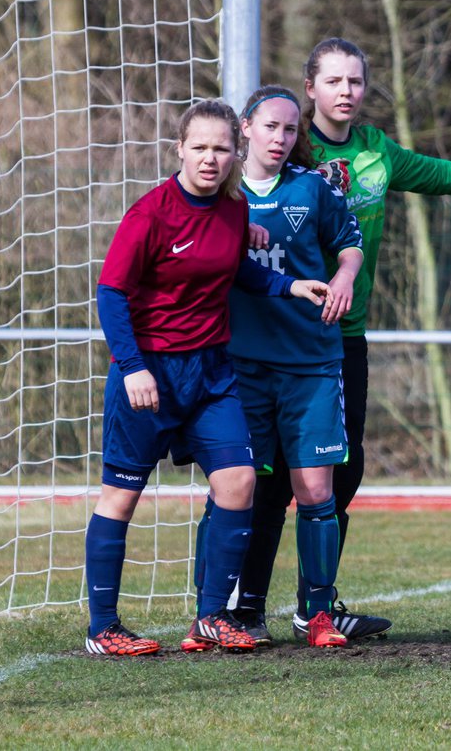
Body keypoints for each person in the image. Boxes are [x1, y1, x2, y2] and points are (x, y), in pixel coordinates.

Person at [238, 37, 451, 642]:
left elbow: (440, 174)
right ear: (310, 89)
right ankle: (242, 606)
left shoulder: (375, 152)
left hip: (340, 339)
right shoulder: (285, 145)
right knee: (270, 479)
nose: (346, 92)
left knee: (344, 470)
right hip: (270, 340)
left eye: (356, 82)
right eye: (333, 81)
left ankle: (317, 604)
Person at [85, 99, 329, 656]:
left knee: (239, 482)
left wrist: (290, 285)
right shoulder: (149, 215)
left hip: (213, 372)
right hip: (150, 375)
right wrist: (133, 368)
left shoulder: (233, 211)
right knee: (120, 498)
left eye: (222, 148)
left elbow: (235, 270)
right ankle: (103, 628)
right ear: (180, 149)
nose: (211, 158)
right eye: (200, 147)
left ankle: (211, 618)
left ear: (235, 152)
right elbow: (112, 293)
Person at [209, 85, 365, 648]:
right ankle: (224, 611)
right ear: (245, 128)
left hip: (311, 361)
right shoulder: (217, 195)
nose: (281, 138)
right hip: (239, 366)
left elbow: (350, 244)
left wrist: (345, 277)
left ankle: (316, 615)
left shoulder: (313, 189)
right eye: (270, 127)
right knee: (236, 489)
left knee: (317, 491)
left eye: (291, 130)